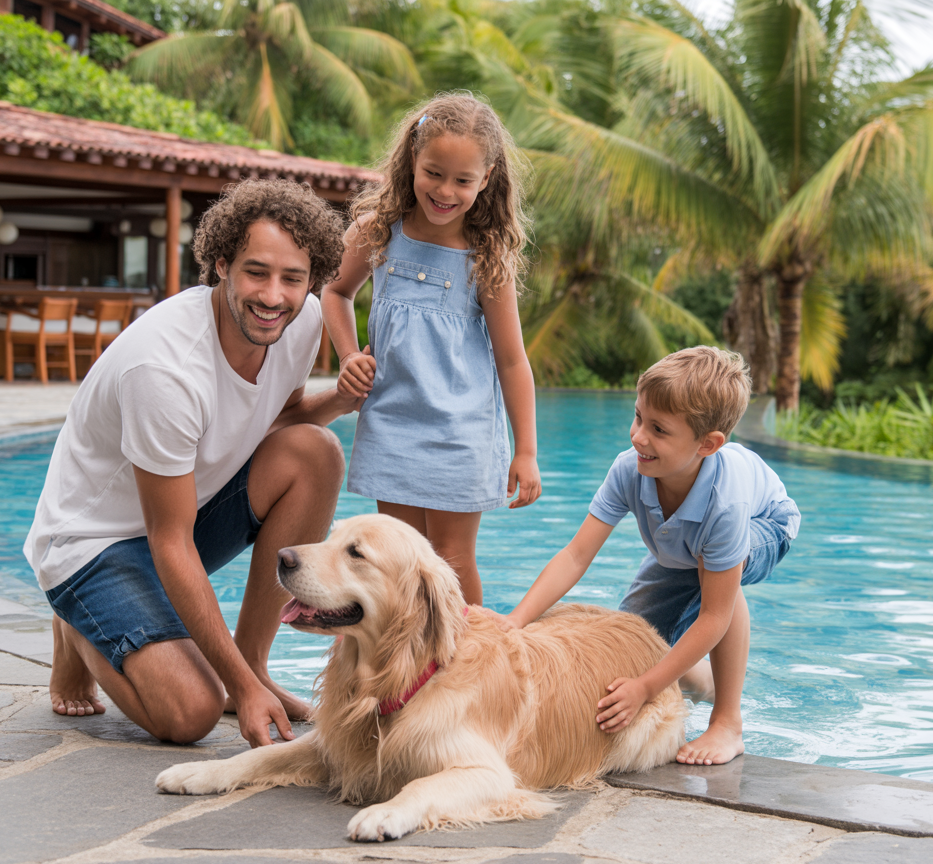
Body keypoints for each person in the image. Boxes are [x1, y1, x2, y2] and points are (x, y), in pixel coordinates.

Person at [24, 179, 361, 748]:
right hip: (93, 545)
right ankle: (78, 627)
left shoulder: (300, 322)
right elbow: (171, 542)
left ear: (313, 280)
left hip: (179, 515)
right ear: (222, 265)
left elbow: (274, 421)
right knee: (191, 714)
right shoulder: (165, 371)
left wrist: (342, 400)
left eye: (293, 279)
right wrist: (230, 687)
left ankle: (255, 666)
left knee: (316, 452)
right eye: (256, 272)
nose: (273, 295)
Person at [489, 347, 800, 766]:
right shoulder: (630, 468)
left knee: (721, 585)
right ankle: (695, 675)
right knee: (633, 636)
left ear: (707, 445)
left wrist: (646, 689)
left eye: (658, 429)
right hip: (683, 550)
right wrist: (513, 621)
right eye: (638, 417)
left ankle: (728, 721)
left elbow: (714, 615)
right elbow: (576, 555)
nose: (638, 436)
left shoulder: (725, 504)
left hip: (766, 525)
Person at [321, 93, 541, 606]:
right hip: (393, 421)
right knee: (395, 560)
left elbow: (512, 359)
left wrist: (526, 450)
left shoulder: (486, 257)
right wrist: (349, 355)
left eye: (463, 180)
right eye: (433, 173)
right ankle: (403, 677)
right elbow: (334, 292)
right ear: (411, 163)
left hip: (460, 434)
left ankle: (473, 671)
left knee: (451, 559)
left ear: (486, 179)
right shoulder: (377, 231)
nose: (445, 191)